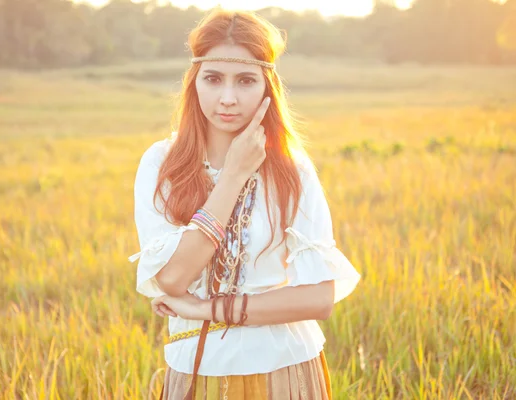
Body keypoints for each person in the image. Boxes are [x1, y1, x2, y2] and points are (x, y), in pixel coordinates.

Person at [128, 8, 361, 400]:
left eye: (246, 80)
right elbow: (171, 279)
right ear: (194, 82)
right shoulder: (161, 164)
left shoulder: (293, 171)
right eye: (214, 79)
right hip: (196, 370)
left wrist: (207, 310)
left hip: (284, 367)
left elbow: (319, 298)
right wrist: (233, 175)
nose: (228, 98)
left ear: (268, 88)